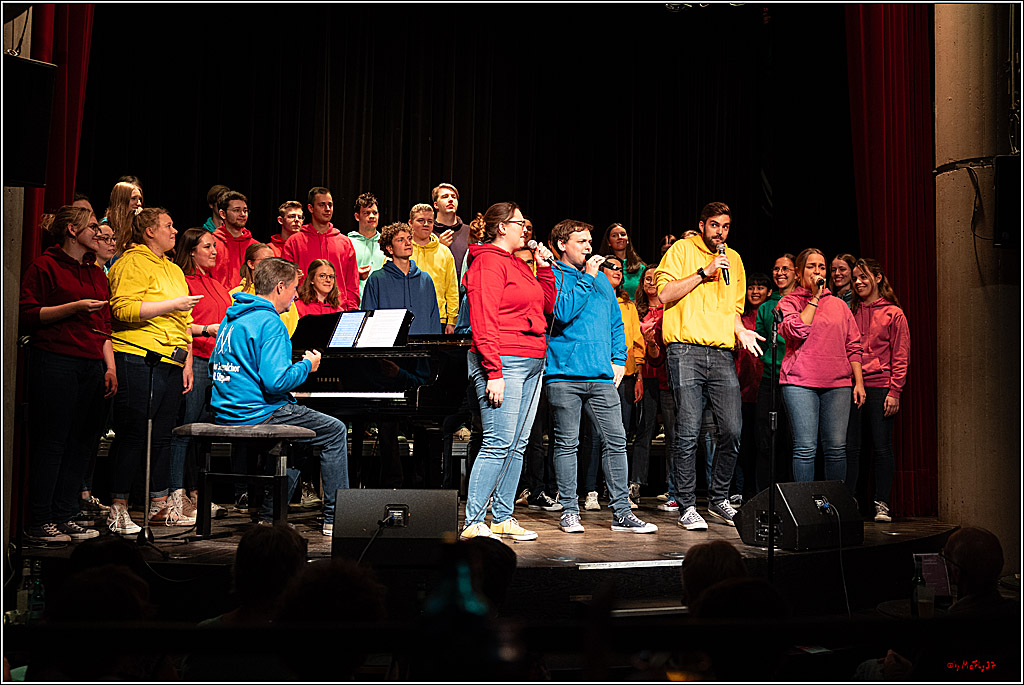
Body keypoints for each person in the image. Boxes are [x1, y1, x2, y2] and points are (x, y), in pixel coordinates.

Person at [209, 257, 348, 535]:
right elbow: (276, 383)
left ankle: (270, 515)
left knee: (299, 441)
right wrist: (307, 365)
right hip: (257, 412)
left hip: (226, 410)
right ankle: (337, 518)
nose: (296, 295)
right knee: (335, 431)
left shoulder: (232, 318)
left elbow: (216, 364)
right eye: (294, 288)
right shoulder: (271, 323)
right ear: (280, 287)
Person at [655, 202, 764, 530]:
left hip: (721, 353)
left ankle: (718, 498)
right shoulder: (681, 250)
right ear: (702, 225)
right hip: (684, 350)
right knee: (688, 431)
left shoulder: (735, 260)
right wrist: (704, 272)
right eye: (715, 225)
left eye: (726, 226)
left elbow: (733, 310)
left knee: (732, 429)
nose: (721, 232)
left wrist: (741, 330)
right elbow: (664, 294)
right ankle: (687, 505)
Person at [546, 220, 658, 535]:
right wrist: (588, 277)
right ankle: (570, 511)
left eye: (589, 241)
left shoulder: (602, 282)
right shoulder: (553, 275)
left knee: (617, 441)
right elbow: (562, 311)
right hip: (564, 375)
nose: (588, 246)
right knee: (567, 443)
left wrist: (619, 359)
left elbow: (615, 323)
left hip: (601, 376)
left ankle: (622, 512)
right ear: (562, 245)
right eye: (581, 241)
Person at [460, 202, 556, 542]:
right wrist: (493, 370)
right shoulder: (487, 261)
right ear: (502, 227)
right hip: (505, 359)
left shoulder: (517, 262)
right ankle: (474, 520)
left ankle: (502, 516)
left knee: (518, 444)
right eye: (519, 223)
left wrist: (544, 268)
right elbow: (483, 319)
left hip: (532, 360)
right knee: (498, 442)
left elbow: (546, 305)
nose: (525, 230)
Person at [19, 206, 115, 542]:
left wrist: (110, 366)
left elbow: (104, 325)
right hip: (56, 360)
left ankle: (65, 514)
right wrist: (74, 307)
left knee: (82, 443)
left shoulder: (96, 273)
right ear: (72, 230)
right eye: (92, 227)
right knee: (53, 442)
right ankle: (41, 520)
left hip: (92, 364)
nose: (98, 233)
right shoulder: (45, 266)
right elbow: (28, 314)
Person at [106, 207, 201, 534]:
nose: (174, 231)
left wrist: (189, 358)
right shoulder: (131, 262)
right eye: (168, 226)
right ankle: (118, 508)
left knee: (162, 436)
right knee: (134, 433)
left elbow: (185, 321)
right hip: (139, 357)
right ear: (149, 231)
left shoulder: (172, 269)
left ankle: (160, 505)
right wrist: (173, 305)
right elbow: (122, 309)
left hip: (172, 360)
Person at [361, 222, 442, 487]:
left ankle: (422, 485)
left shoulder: (425, 280)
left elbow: (433, 320)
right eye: (400, 239)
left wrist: (431, 357)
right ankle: (391, 483)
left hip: (420, 359)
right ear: (388, 247)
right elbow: (368, 320)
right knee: (388, 424)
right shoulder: (377, 280)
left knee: (424, 422)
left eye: (409, 238)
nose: (408, 242)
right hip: (390, 357)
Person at [777, 247, 865, 484]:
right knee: (805, 447)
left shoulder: (839, 305)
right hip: (800, 382)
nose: (818, 271)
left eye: (822, 267)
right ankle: (805, 504)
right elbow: (797, 330)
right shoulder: (788, 302)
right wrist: (815, 298)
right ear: (798, 273)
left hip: (837, 384)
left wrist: (858, 382)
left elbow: (853, 344)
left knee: (836, 448)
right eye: (811, 266)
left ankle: (833, 503)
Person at [169, 228, 233, 520]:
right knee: (185, 430)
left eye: (214, 246)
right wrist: (206, 330)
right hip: (194, 361)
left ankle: (198, 495)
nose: (214, 251)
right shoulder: (183, 281)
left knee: (204, 434)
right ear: (191, 251)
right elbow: (180, 324)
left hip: (217, 365)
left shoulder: (216, 284)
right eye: (207, 246)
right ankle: (176, 495)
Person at [579, 254, 645, 510]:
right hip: (598, 374)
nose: (618, 271)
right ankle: (591, 490)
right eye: (612, 267)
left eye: (620, 268)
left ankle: (617, 491)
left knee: (620, 435)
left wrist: (638, 375)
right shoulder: (592, 296)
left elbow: (635, 342)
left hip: (625, 376)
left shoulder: (628, 305)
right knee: (594, 435)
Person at [847, 257, 910, 521]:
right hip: (852, 386)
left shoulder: (893, 313)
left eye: (863, 277)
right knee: (852, 447)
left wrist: (895, 391)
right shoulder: (850, 311)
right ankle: (851, 501)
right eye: (855, 278)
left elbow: (901, 354)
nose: (858, 282)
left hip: (881, 386)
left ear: (878, 277)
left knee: (881, 446)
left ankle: (881, 502)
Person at [754, 254, 798, 491]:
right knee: (765, 439)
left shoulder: (804, 302)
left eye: (785, 269)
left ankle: (791, 493)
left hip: (797, 381)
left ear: (796, 273)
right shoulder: (766, 307)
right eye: (776, 268)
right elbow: (760, 340)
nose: (780, 273)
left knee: (792, 440)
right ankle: (764, 493)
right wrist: (768, 359)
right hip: (770, 379)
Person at [631, 268, 673, 508]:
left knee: (673, 433)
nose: (652, 282)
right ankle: (636, 484)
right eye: (647, 278)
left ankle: (672, 487)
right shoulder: (636, 310)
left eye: (656, 278)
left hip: (667, 377)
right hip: (645, 376)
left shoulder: (671, 308)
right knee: (644, 430)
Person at [283, 186, 360, 310]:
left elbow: (352, 283)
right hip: (304, 311)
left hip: (338, 309)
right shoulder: (294, 242)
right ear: (311, 208)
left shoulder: (344, 242)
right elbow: (285, 280)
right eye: (322, 205)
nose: (327, 209)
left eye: (330, 205)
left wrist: (351, 310)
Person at [731, 271, 770, 504]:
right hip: (741, 387)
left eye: (760, 287)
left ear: (769, 291)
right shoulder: (739, 318)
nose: (755, 292)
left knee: (762, 443)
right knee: (742, 443)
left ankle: (761, 490)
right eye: (751, 287)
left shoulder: (770, 315)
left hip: (764, 385)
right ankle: (742, 490)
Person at [410, 203, 459, 333]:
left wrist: (452, 320)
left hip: (438, 318)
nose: (426, 224)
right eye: (421, 220)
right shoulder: (403, 250)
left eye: (430, 221)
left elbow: (452, 288)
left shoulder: (444, 252)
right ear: (410, 223)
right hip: (408, 316)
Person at [209, 190, 256, 290]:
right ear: (222, 214)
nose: (242, 214)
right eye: (236, 210)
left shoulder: (255, 246)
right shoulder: (212, 243)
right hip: (220, 296)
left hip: (249, 298)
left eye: (245, 210)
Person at [432, 182, 472, 280]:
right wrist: (439, 248)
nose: (450, 200)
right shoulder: (428, 232)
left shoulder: (470, 231)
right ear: (436, 205)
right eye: (445, 197)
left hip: (464, 287)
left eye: (454, 197)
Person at [348, 192, 384, 298]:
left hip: (383, 303)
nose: (372, 216)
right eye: (366, 213)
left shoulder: (386, 243)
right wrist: (355, 273)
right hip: (355, 302)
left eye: (375, 213)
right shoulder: (347, 243)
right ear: (357, 216)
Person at [599, 223, 647, 302]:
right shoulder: (601, 265)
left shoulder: (640, 267)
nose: (620, 237)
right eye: (614, 235)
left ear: (628, 240)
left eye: (623, 234)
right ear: (608, 242)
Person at [103, 180, 144, 256]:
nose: (139, 203)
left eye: (139, 199)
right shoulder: (106, 224)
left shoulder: (137, 223)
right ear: (121, 200)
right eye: (133, 198)